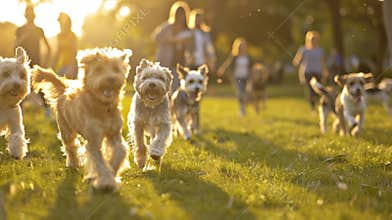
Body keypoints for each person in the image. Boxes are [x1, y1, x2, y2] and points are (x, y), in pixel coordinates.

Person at [152, 1, 192, 92]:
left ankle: (173, 105)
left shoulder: (187, 29)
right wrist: (171, 40)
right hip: (166, 60)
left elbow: (191, 47)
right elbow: (155, 37)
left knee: (177, 87)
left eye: (183, 14)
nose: (181, 17)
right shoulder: (168, 27)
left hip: (180, 61)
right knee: (164, 85)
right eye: (179, 14)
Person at [292, 31, 328, 111]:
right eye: (312, 39)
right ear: (308, 40)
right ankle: (312, 108)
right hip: (307, 72)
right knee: (310, 90)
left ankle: (321, 104)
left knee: (318, 89)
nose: (313, 41)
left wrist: (325, 70)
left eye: (314, 39)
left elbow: (322, 62)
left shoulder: (320, 50)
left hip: (318, 71)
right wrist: (296, 62)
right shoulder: (303, 49)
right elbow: (297, 60)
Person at [217, 37, 254, 116]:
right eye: (241, 46)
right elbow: (227, 64)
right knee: (240, 93)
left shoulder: (248, 57)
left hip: (246, 78)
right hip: (237, 78)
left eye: (244, 46)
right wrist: (222, 70)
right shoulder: (235, 56)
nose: (243, 48)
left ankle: (244, 106)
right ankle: (242, 109)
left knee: (246, 94)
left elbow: (252, 67)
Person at [52, 12, 78, 79]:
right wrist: (53, 67)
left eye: (61, 22)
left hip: (72, 66)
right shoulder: (59, 36)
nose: (60, 24)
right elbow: (58, 52)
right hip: (63, 65)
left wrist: (71, 67)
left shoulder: (72, 35)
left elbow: (74, 53)